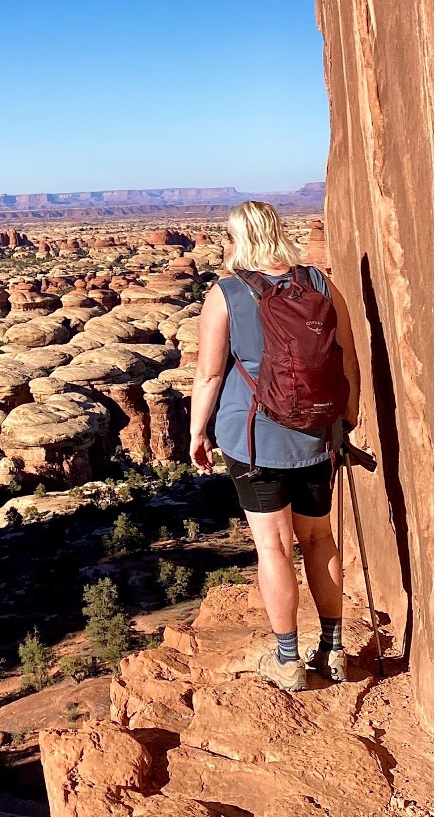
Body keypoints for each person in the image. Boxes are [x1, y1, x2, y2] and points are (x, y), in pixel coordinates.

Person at [189, 201, 360, 692]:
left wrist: (198, 432)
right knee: (319, 539)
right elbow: (345, 357)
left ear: (238, 238)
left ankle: (288, 660)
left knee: (274, 545)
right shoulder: (322, 284)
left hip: (253, 437)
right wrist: (346, 421)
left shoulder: (226, 293)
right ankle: (334, 650)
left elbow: (209, 373)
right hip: (316, 436)